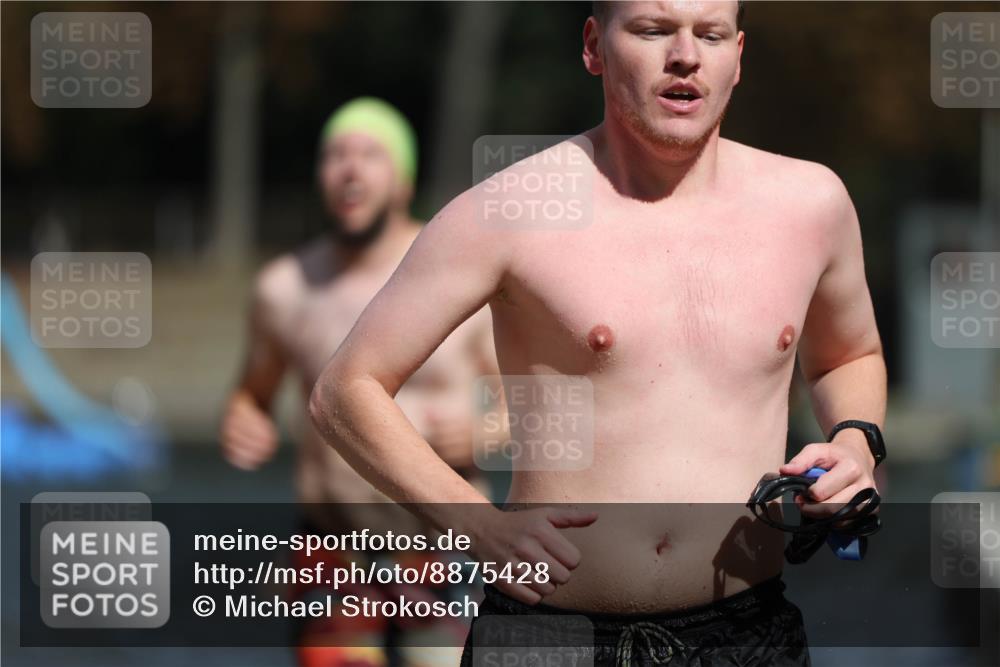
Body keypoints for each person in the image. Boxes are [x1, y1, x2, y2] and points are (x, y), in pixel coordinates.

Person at [309, 3, 886, 665]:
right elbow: (345, 387)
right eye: (652, 30)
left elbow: (851, 353)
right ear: (594, 46)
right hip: (546, 634)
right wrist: (470, 520)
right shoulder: (512, 210)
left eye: (710, 34)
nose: (686, 56)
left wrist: (856, 441)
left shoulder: (812, 205)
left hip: (747, 634)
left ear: (738, 56)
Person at [220, 97, 496, 667]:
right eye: (335, 154)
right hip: (331, 553)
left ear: (403, 179)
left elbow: (543, 402)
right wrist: (242, 418)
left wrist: (485, 429)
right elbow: (254, 394)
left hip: (444, 545)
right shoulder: (284, 289)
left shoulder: (460, 276)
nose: (350, 167)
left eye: (370, 154)